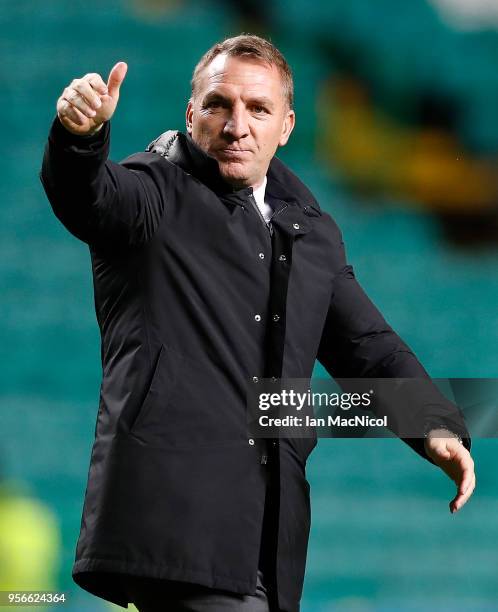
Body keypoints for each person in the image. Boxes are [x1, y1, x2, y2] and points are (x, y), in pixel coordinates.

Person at [40, 34, 475, 612]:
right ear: (191, 113)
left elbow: (365, 344)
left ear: (287, 125)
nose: (236, 125)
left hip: (268, 540)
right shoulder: (151, 192)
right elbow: (86, 194)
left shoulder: (311, 232)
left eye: (259, 109)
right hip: (174, 524)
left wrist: (434, 424)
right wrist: (80, 137)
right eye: (219, 104)